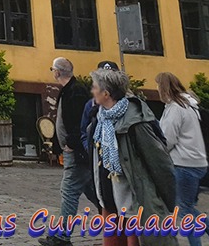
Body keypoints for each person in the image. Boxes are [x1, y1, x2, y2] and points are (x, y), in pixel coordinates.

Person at [89, 67, 176, 246]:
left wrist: (166, 202)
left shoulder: (135, 122)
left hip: (132, 199)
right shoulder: (100, 119)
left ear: (106, 93)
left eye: (95, 87)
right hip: (108, 196)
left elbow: (160, 163)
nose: (92, 91)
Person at [39, 57, 93, 246]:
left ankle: (62, 236)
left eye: (53, 69)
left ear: (57, 72)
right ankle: (119, 221)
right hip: (73, 150)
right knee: (94, 192)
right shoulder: (69, 90)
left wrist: (71, 143)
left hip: (77, 151)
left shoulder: (76, 91)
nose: (52, 72)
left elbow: (81, 121)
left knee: (69, 190)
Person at [156, 72, 207, 246]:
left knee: (184, 211)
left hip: (184, 163)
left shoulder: (176, 108)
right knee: (187, 207)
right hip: (196, 162)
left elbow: (168, 139)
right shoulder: (188, 105)